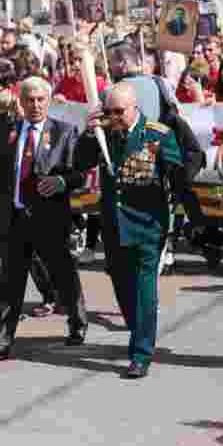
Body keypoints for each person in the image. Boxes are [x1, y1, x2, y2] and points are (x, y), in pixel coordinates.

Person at [0, 77, 90, 365]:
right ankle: (1, 342)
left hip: (50, 220)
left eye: (40, 99)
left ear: (48, 101)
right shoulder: (6, 132)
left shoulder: (64, 132)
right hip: (14, 219)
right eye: (29, 100)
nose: (35, 105)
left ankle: (77, 320)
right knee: (10, 284)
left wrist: (61, 181)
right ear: (20, 102)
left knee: (63, 275)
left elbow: (79, 175)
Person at [77, 84, 183, 378]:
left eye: (119, 112)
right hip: (114, 224)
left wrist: (174, 190)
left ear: (134, 108)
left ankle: (141, 353)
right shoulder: (104, 133)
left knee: (145, 288)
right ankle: (138, 329)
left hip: (148, 224)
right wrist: (89, 133)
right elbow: (80, 162)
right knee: (122, 285)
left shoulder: (156, 134)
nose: (114, 117)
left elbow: (177, 172)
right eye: (108, 111)